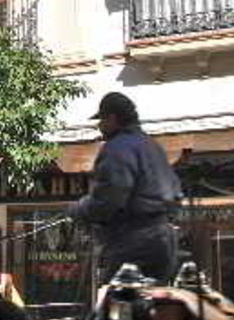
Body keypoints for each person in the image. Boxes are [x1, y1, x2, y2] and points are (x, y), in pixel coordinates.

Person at [67, 92, 182, 284]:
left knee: (115, 303)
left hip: (135, 241)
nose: (99, 125)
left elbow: (108, 200)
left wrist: (79, 209)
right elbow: (176, 195)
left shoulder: (117, 148)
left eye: (102, 119)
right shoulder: (152, 146)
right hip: (165, 241)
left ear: (112, 118)